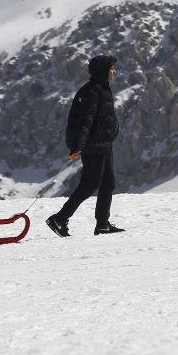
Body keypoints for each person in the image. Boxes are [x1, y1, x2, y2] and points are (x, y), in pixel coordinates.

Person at [46, 55, 124, 236]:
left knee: (108, 183)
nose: (115, 71)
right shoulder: (92, 91)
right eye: (112, 68)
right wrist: (77, 146)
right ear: (103, 70)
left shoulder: (102, 88)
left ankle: (102, 224)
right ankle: (59, 219)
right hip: (94, 145)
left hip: (104, 144)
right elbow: (85, 120)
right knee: (89, 184)